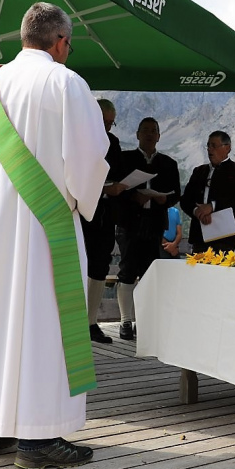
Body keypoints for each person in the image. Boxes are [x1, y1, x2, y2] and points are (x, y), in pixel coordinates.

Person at [0, 2, 110, 469]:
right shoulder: (66, 83)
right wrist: (78, 200)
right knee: (42, 324)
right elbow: (90, 156)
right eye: (69, 45)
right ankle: (37, 441)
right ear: (60, 42)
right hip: (43, 227)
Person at [114, 117, 180, 341]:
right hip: (129, 223)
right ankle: (125, 321)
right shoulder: (125, 158)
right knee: (127, 271)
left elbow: (176, 194)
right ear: (137, 134)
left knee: (149, 274)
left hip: (154, 225)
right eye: (145, 130)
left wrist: (164, 200)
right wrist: (133, 196)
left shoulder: (169, 163)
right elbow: (115, 188)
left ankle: (143, 322)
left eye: (154, 130)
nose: (150, 134)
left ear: (159, 136)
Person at [80, 99, 127, 345]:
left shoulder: (114, 143)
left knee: (100, 265)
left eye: (111, 123)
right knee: (79, 263)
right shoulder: (77, 138)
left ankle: (90, 322)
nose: (108, 128)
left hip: (105, 215)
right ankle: (73, 322)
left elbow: (116, 173)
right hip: (80, 213)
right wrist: (107, 189)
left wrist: (114, 187)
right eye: (104, 122)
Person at [180, 131, 235, 253]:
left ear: (227, 148)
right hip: (199, 237)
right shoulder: (199, 171)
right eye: (208, 145)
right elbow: (185, 200)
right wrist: (197, 211)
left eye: (214, 145)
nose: (209, 149)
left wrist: (213, 206)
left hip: (225, 239)